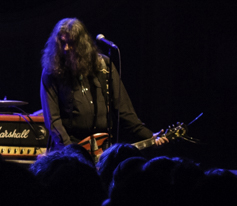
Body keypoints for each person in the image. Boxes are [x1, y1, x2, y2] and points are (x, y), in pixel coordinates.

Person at [39, 18, 166, 153]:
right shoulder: (52, 71)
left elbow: (124, 111)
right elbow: (53, 121)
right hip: (70, 148)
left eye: (70, 43)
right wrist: (71, 150)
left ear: (82, 44)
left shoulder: (103, 66)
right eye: (62, 43)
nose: (65, 48)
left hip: (103, 148)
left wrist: (149, 136)